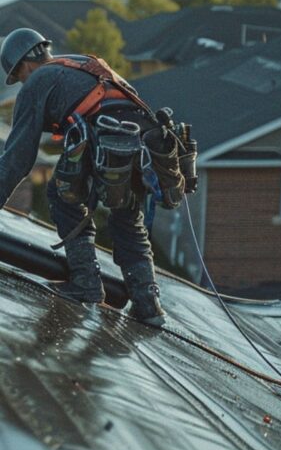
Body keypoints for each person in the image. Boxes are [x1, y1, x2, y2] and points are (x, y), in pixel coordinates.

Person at [0, 28, 166, 326]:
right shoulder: (81, 65)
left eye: (19, 76)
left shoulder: (37, 82)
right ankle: (148, 305)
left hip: (105, 138)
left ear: (23, 65)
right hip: (140, 145)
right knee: (127, 219)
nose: (22, 82)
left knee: (62, 196)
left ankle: (86, 282)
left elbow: (16, 160)